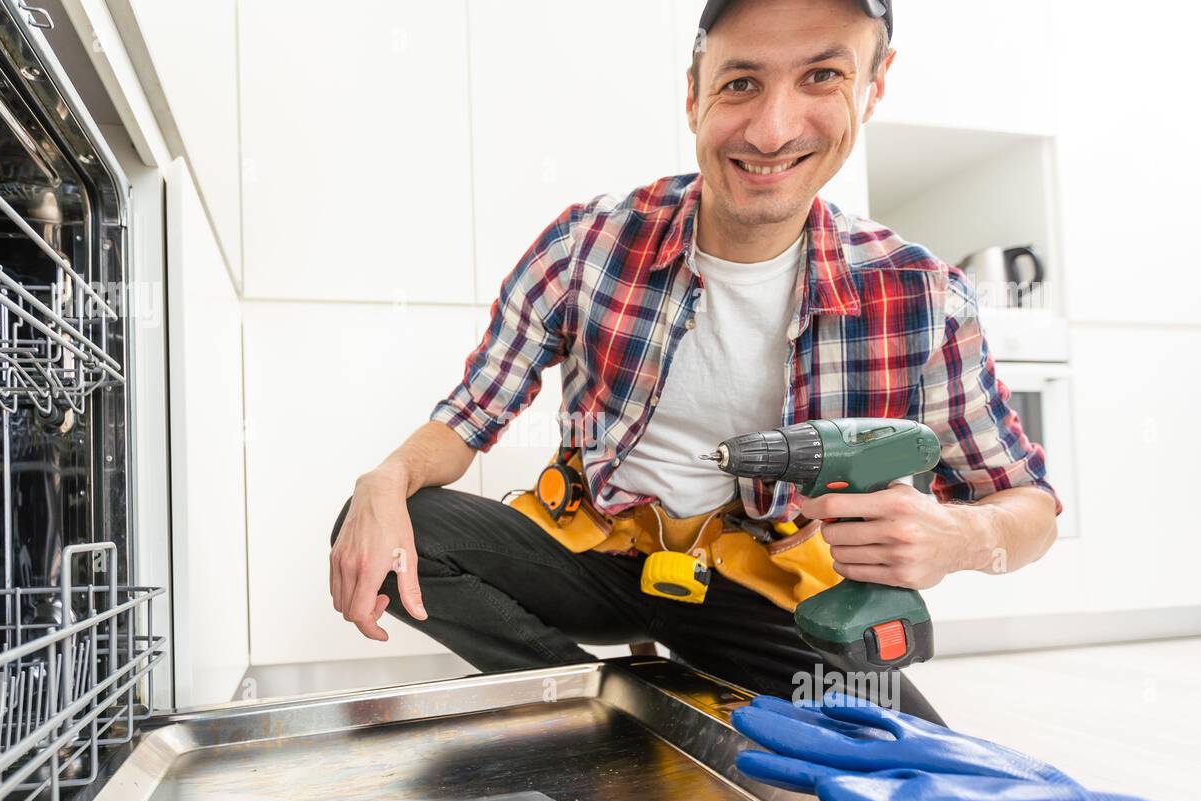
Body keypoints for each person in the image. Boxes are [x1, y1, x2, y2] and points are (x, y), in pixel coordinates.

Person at [329, 0, 1061, 724]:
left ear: (874, 86)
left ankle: (671, 695)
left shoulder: (922, 294)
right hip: (599, 556)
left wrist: (962, 536)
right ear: (693, 95)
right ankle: (610, 716)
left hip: (765, 593)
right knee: (404, 531)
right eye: (741, 82)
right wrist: (385, 479)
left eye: (823, 77)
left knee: (908, 762)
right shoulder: (590, 244)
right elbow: (470, 416)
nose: (772, 130)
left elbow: (1028, 504)